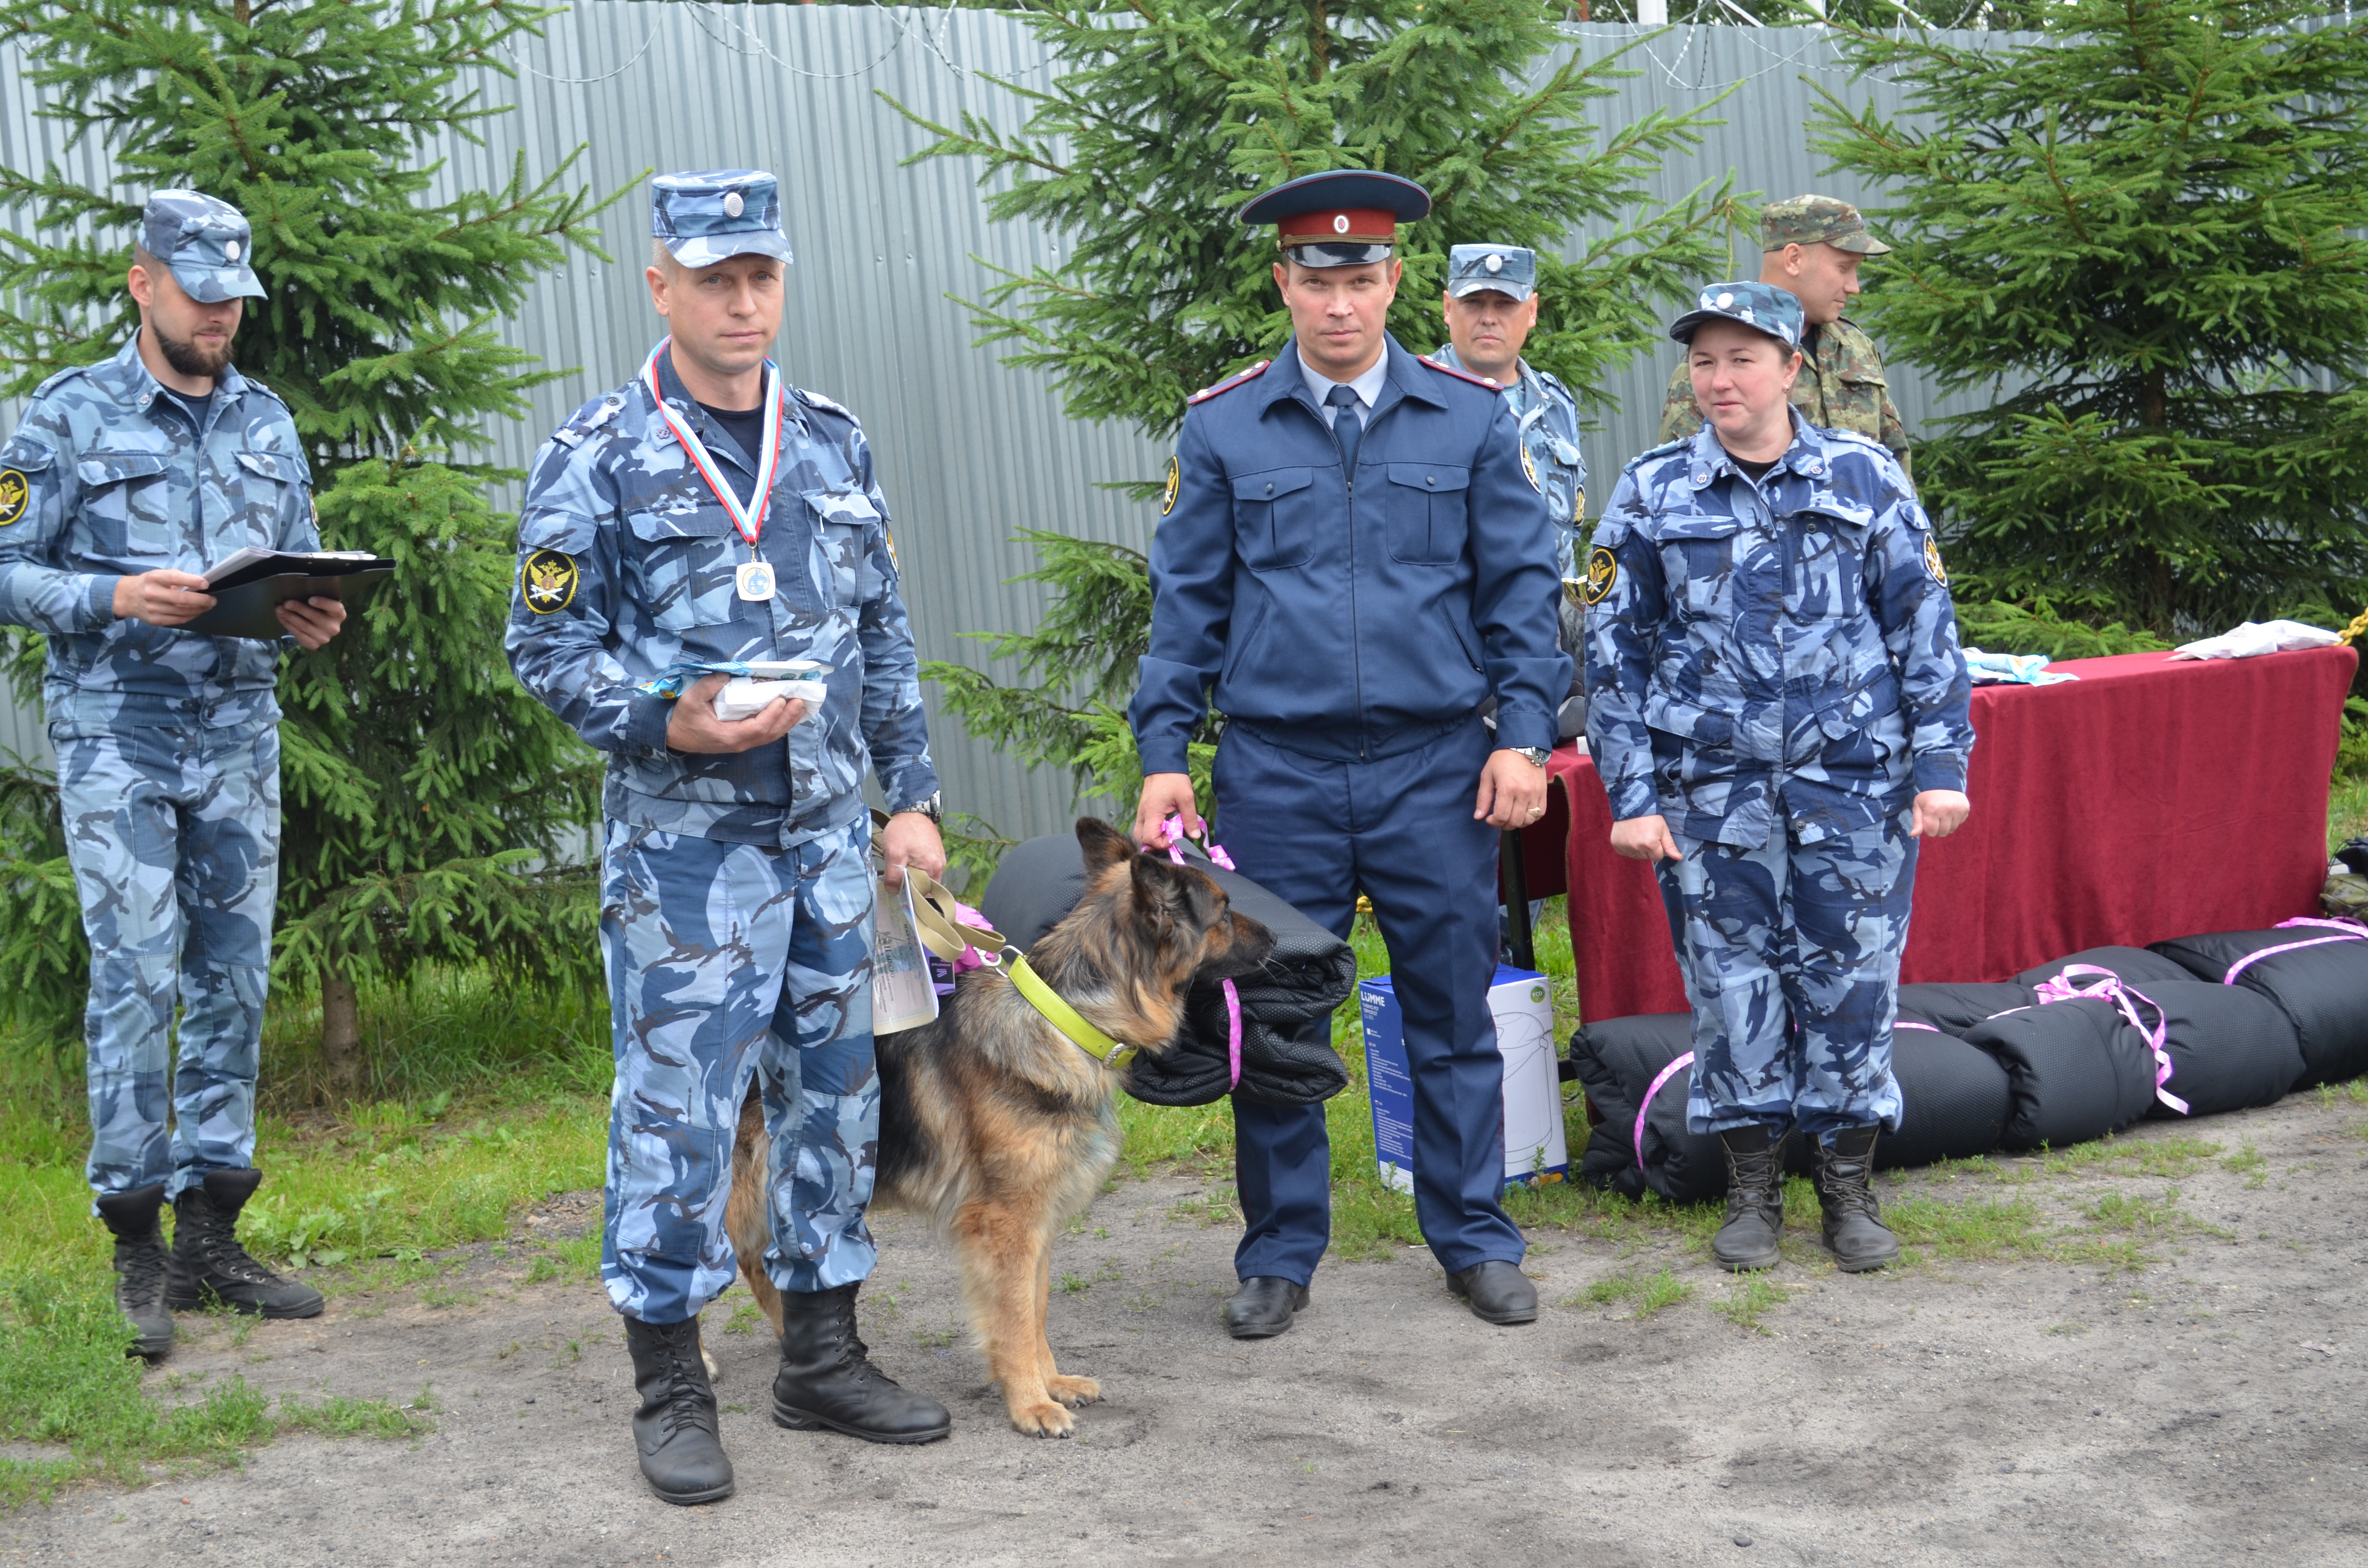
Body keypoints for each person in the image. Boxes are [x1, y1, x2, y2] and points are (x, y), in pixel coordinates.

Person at [505, 170, 950, 1506]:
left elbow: (882, 627)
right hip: (684, 859)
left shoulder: (830, 439)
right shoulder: (598, 452)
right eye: (714, 278)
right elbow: (545, 642)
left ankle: (821, 1356)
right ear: (661, 286)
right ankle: (671, 1381)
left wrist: (909, 796)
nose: (742, 301)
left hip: (824, 838)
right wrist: (664, 720)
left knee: (836, 1098)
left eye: (760, 275)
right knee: (680, 1114)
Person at [1129, 170, 1569, 1335]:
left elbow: (1522, 596)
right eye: (1317, 281)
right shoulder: (1224, 426)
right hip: (1279, 771)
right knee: (1275, 1018)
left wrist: (1525, 736)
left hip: (1436, 767)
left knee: (1451, 1011)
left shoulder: (1470, 418)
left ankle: (1474, 1236)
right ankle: (1279, 1252)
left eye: (1362, 280)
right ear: (1283, 283)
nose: (1340, 305)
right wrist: (1165, 750)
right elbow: (1187, 605)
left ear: (1395, 283)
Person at [0, 191, 347, 1360]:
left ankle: (213, 1233)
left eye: (233, 299)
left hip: (240, 730)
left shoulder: (267, 420)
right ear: (143, 283)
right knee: (138, 979)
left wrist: (304, 613)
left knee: (236, 980)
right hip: (121, 736)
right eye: (200, 297)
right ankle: (136, 1239)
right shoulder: (66, 416)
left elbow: (290, 554)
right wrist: (108, 595)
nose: (221, 319)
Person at [1584, 282, 1972, 1276]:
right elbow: (1612, 651)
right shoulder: (1653, 488)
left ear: (1790, 367)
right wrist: (1629, 799)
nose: (1719, 380)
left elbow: (1922, 627)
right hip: (1711, 793)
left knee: (1853, 985)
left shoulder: (1864, 475)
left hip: (1853, 787)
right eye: (1704, 362)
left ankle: (1846, 1185)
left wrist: (1940, 766)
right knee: (1731, 989)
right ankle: (1752, 1188)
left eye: (1741, 360)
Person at [1654, 196, 1911, 475]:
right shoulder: (1717, 362)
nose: (1854, 286)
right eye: (1843, 268)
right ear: (1794, 259)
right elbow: (1684, 478)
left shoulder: (1855, 345)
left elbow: (1894, 462)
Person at [1432, 245, 1587, 598]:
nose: (1489, 318)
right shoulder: (1414, 398)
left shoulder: (1556, 403)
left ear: (1531, 311)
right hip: (1455, 635)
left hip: (1550, 633)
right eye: (1473, 303)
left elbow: (1567, 534)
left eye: (1505, 304)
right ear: (1447, 307)